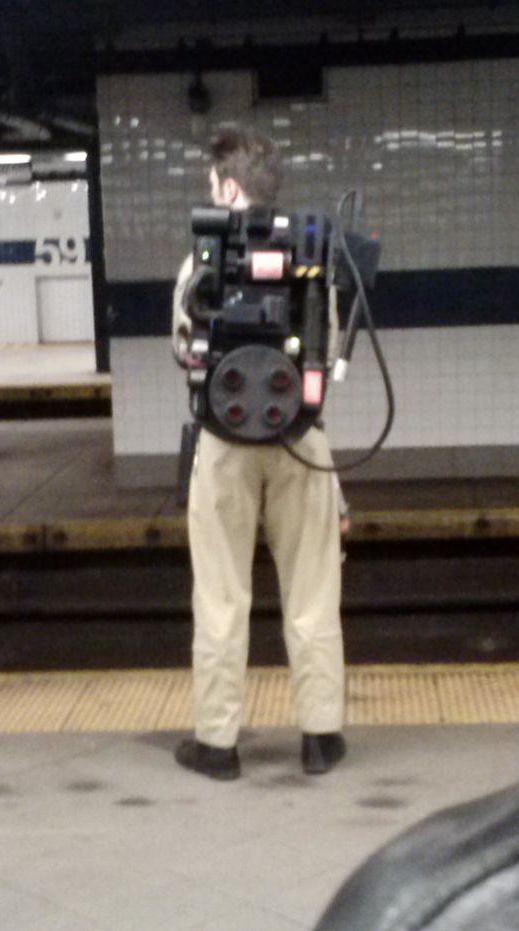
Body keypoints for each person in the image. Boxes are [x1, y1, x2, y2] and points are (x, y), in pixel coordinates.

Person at [172, 127, 346, 781]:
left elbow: (184, 352)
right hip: (301, 439)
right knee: (312, 590)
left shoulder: (202, 264)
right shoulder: (313, 255)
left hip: (224, 443)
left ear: (230, 187)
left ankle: (218, 744)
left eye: (213, 183)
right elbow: (321, 349)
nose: (208, 192)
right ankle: (321, 736)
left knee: (220, 595)